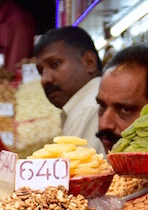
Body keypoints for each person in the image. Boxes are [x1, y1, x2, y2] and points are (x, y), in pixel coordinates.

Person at [33, 27, 104, 155]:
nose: (45, 79)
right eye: (40, 71)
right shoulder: (82, 106)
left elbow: (79, 172)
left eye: (55, 64)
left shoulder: (89, 107)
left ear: (89, 62)